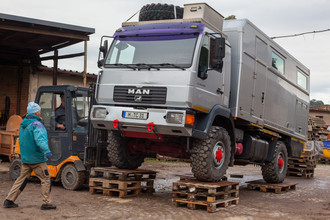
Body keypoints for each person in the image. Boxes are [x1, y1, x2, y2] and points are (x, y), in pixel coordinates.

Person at [3, 102, 56, 210]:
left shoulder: (23, 124)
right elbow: (40, 140)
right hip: (37, 159)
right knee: (46, 179)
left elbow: (21, 141)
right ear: (36, 112)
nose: (40, 112)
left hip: (26, 159)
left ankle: (9, 200)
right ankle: (46, 203)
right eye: (39, 110)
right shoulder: (37, 124)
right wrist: (46, 151)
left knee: (21, 179)